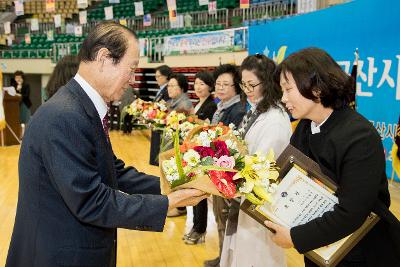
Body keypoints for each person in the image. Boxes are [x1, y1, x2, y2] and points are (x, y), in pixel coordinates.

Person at [6, 22, 208, 267]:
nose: (132, 80)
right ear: (104, 58)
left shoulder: (79, 107)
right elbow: (90, 201)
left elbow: (114, 171)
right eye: (131, 68)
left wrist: (172, 185)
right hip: (59, 255)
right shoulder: (65, 116)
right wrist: (168, 203)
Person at [267, 47, 400, 266]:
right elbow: (287, 173)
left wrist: (295, 237)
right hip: (321, 246)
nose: (283, 98)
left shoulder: (359, 135)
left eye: (288, 89)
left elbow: (351, 213)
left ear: (317, 88)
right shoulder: (305, 127)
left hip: (363, 250)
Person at [220, 54, 291, 267]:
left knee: (258, 257)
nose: (247, 90)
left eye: (252, 84)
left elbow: (263, 169)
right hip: (244, 199)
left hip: (259, 204)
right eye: (244, 84)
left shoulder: (275, 119)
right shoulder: (257, 110)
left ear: (268, 82)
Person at [205, 64, 245, 267]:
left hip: (227, 175)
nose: (220, 88)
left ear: (237, 87)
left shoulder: (237, 111)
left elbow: (232, 145)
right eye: (218, 83)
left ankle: (226, 261)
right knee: (221, 220)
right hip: (217, 172)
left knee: (226, 220)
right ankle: (223, 258)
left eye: (225, 84)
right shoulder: (221, 106)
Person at [183, 71, 217, 245]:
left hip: (203, 155)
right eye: (196, 83)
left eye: (202, 84)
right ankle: (196, 227)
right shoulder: (198, 104)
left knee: (200, 194)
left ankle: (200, 229)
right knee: (194, 192)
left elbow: (206, 129)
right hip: (194, 153)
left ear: (210, 87)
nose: (198, 87)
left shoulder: (211, 105)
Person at [149, 65, 173, 165]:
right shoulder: (162, 89)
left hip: (162, 125)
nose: (156, 78)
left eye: (159, 76)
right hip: (157, 124)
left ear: (166, 76)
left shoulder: (168, 90)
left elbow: (165, 108)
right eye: (156, 76)